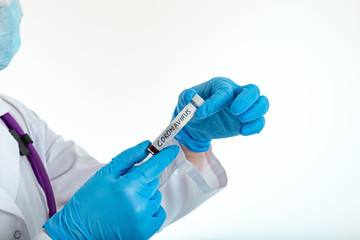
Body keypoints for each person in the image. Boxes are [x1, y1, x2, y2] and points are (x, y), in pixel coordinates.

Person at [0, 0, 270, 239]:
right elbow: (91, 222)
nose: (13, 8)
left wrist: (189, 141)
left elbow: (121, 204)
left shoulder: (14, 119)